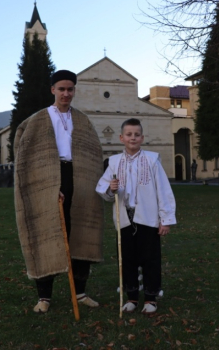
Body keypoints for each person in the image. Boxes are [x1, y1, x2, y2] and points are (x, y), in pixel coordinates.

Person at [14, 70, 104, 314]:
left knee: (81, 234)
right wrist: (49, 187)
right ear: (52, 89)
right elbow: (25, 154)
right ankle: (44, 297)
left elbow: (94, 152)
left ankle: (81, 292)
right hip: (48, 178)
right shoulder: (38, 120)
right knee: (47, 234)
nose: (66, 93)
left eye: (70, 89)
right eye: (61, 89)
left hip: (80, 178)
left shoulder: (83, 120)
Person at [96, 118, 176, 314]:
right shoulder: (114, 162)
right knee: (127, 259)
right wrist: (110, 188)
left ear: (142, 137)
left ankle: (150, 297)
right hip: (125, 218)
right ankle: (131, 296)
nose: (133, 138)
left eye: (137, 134)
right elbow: (102, 188)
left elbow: (163, 190)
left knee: (150, 258)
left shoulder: (152, 160)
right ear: (121, 138)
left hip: (147, 217)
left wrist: (165, 219)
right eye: (129, 135)